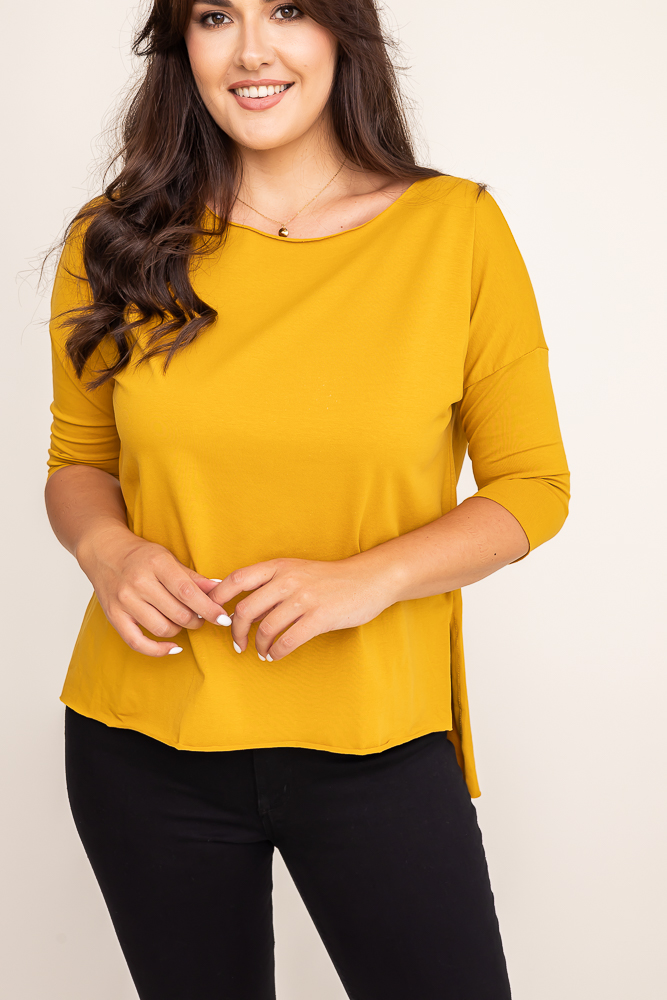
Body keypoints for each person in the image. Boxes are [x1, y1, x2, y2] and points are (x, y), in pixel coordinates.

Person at [44, 1, 570, 997]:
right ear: (181, 44)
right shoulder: (114, 236)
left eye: (287, 9)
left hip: (377, 738)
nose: (253, 49)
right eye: (215, 15)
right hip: (145, 743)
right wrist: (109, 552)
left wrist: (366, 580)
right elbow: (78, 461)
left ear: (341, 33)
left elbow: (531, 487)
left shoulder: (455, 230)